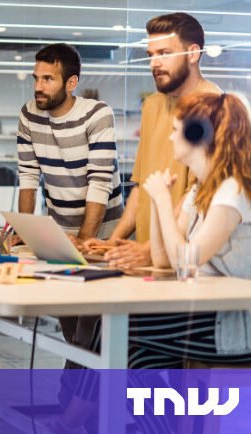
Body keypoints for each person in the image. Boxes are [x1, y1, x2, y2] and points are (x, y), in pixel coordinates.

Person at [52, 92, 251, 434]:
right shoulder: (200, 189)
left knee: (115, 332)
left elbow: (185, 262)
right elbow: (162, 258)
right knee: (132, 357)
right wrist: (160, 207)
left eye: (177, 130)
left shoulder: (231, 191)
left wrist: (159, 200)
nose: (171, 137)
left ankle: (70, 421)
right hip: (201, 313)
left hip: (230, 326)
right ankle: (145, 426)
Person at [81, 12, 221, 268]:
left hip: (184, 261)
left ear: (193, 53)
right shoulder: (153, 105)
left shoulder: (214, 107)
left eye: (165, 53)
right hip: (145, 258)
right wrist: (113, 241)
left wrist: (150, 251)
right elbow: (140, 186)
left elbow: (196, 195)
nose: (154, 64)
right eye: (151, 56)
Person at [17, 43, 123, 244]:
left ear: (71, 83)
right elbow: (28, 176)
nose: (38, 87)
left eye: (48, 79)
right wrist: (26, 233)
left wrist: (84, 240)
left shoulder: (97, 114)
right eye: (36, 78)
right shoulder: (29, 114)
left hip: (105, 237)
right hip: (59, 235)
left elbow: (99, 183)